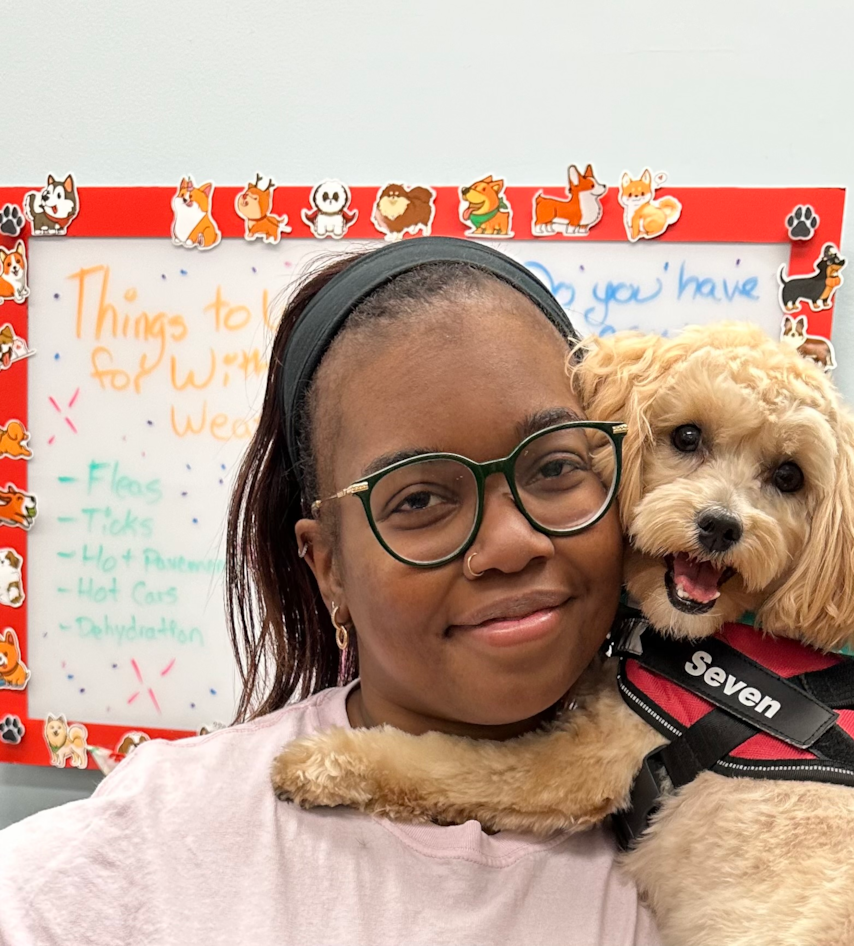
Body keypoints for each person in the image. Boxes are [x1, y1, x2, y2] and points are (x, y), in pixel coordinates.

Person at [0, 238, 659, 946]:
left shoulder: (712, 799)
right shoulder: (157, 842)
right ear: (329, 568)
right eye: (419, 501)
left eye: (555, 466)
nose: (508, 544)